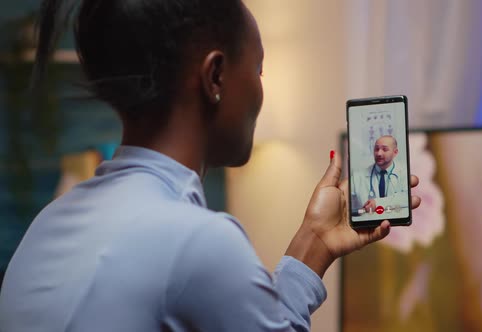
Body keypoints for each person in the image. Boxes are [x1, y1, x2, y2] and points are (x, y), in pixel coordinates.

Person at [0, 1, 421, 331]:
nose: (261, 90)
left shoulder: (50, 222)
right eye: (257, 69)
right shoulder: (195, 240)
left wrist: (317, 239)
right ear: (215, 76)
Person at [351, 135, 408, 213]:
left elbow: (406, 198)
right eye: (376, 149)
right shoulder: (358, 176)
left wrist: (377, 203)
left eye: (385, 149)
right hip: (368, 222)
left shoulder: (403, 173)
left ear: (395, 152)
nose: (379, 153)